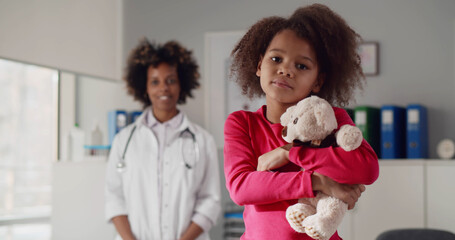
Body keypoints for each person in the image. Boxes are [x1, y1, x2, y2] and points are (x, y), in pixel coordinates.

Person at [224, 4, 379, 240]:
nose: (285, 70)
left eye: (301, 65)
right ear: (258, 66)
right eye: (276, 58)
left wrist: (289, 152)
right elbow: (241, 187)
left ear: (318, 81)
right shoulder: (242, 123)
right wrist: (318, 182)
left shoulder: (332, 119)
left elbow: (367, 168)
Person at [105, 38, 221, 240]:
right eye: (155, 81)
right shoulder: (123, 140)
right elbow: (114, 197)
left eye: (171, 80)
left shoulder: (203, 140)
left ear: (181, 85)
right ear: (144, 87)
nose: (163, 88)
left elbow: (210, 201)